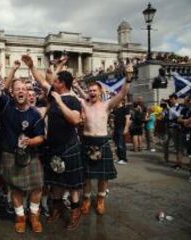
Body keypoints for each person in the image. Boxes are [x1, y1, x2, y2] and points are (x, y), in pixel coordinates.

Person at [0, 48, 45, 233]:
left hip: (30, 154)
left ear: (28, 93)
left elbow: (41, 137)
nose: (21, 91)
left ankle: (34, 217)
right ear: (12, 92)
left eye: (24, 89)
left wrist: (31, 141)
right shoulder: (5, 105)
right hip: (10, 154)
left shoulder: (35, 114)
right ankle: (20, 217)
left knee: (37, 187)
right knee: (16, 189)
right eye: (17, 89)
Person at [23, 54, 84, 231]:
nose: (52, 82)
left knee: (73, 184)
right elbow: (42, 81)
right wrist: (32, 66)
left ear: (62, 83)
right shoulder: (53, 93)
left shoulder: (73, 100)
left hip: (69, 145)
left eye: (55, 81)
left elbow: (74, 120)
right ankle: (56, 208)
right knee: (56, 182)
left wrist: (59, 101)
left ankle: (75, 213)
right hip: (54, 146)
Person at [80, 64, 133, 215]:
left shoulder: (107, 105)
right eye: (89, 90)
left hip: (102, 142)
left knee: (103, 176)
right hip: (87, 141)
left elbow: (122, 94)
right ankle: (86, 200)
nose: (91, 92)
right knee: (87, 175)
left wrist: (128, 78)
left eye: (94, 90)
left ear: (100, 92)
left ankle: (101, 200)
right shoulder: (84, 104)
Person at [164, 94, 184, 169]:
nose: (170, 100)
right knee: (169, 144)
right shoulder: (170, 107)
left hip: (177, 129)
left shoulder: (180, 107)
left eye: (172, 99)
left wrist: (170, 109)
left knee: (178, 147)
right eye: (170, 99)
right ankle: (172, 161)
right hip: (169, 128)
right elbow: (167, 117)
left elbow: (179, 116)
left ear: (176, 99)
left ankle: (179, 163)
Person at [112, 99, 131, 164]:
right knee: (117, 144)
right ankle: (119, 158)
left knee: (121, 144)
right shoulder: (115, 109)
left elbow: (128, 119)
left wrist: (126, 128)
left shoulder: (125, 108)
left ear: (121, 101)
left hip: (121, 128)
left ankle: (123, 159)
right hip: (116, 128)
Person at [178, 95, 191, 181]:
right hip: (187, 133)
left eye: (187, 100)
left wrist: (186, 121)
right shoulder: (184, 109)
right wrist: (185, 121)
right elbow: (179, 120)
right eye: (186, 101)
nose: (185, 102)